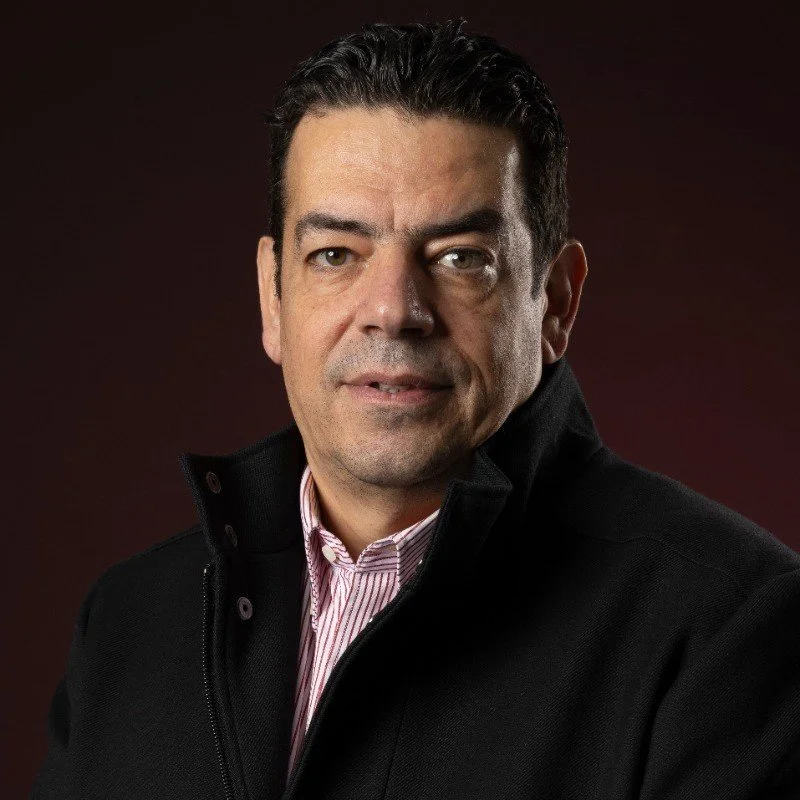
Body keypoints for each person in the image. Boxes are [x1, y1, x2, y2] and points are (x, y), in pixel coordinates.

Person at [32, 19, 800, 800]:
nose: (393, 310)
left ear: (557, 301)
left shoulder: (723, 628)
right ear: (272, 296)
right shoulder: (131, 623)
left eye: (460, 259)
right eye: (336, 254)